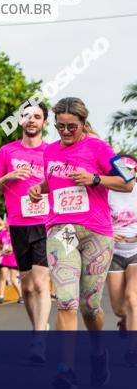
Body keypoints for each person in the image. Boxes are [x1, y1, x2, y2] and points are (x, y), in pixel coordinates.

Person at [28, 97, 134, 388]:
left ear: (83, 123)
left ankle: (99, 353)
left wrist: (95, 179)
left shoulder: (99, 148)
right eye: (60, 126)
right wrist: (39, 188)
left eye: (71, 126)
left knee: (89, 306)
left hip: (97, 233)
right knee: (66, 300)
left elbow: (128, 182)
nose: (65, 132)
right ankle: (66, 369)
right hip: (61, 230)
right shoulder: (50, 151)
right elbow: (54, 181)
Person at [0, 101, 51, 359]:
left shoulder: (51, 152)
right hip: (18, 224)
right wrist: (8, 177)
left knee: (39, 283)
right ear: (20, 121)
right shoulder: (7, 151)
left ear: (44, 122)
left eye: (37, 116)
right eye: (27, 116)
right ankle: (38, 327)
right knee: (25, 288)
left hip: (46, 222)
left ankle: (38, 339)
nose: (32, 120)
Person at [107, 154, 137, 366]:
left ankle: (132, 349)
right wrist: (108, 233)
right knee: (119, 308)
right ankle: (125, 321)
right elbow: (97, 220)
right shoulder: (107, 193)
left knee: (132, 299)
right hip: (114, 252)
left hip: (136, 250)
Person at [0, 220, 21, 305]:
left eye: (9, 223)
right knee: (3, 276)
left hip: (13, 258)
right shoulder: (2, 232)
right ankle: (1, 296)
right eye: (6, 223)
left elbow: (20, 244)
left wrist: (12, 249)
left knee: (13, 278)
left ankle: (21, 295)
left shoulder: (16, 232)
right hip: (4, 257)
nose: (7, 224)